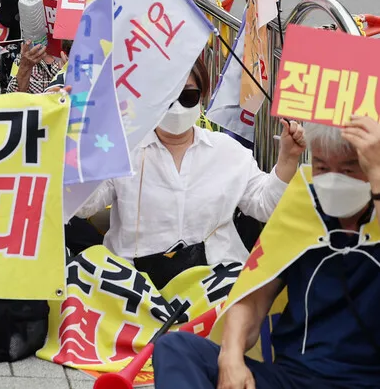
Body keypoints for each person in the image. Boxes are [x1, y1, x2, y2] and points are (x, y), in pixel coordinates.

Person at [152, 117, 380, 389]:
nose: (333, 180)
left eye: (348, 169)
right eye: (321, 167)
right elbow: (254, 296)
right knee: (175, 348)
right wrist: (232, 357)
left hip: (365, 380)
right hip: (293, 377)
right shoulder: (302, 206)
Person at [75, 58, 306, 288]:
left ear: (202, 96)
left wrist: (287, 159)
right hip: (132, 286)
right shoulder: (122, 150)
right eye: (167, 97)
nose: (177, 108)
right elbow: (84, 205)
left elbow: (265, 205)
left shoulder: (228, 151)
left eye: (187, 96)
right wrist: (79, 143)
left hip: (215, 283)